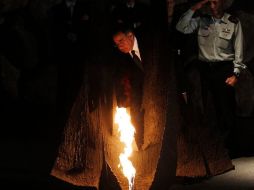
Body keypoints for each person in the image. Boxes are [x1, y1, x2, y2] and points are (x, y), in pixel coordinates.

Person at [176, 0, 247, 153]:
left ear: (222, 3)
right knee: (209, 108)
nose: (212, 6)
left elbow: (239, 50)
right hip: (205, 70)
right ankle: (215, 148)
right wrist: (194, 8)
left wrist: (236, 74)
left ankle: (232, 148)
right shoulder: (202, 20)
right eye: (210, 3)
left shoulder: (233, 22)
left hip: (224, 68)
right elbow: (181, 27)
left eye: (215, 3)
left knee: (226, 108)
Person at [111, 24, 145, 150]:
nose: (120, 46)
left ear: (130, 35)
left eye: (121, 41)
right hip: (141, 84)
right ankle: (139, 142)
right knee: (135, 107)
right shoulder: (124, 56)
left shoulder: (146, 44)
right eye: (117, 44)